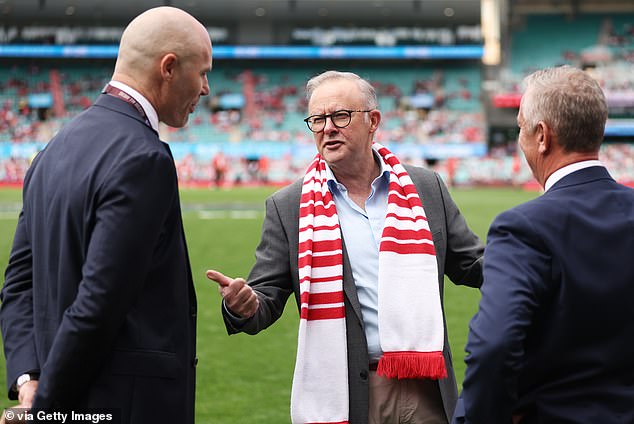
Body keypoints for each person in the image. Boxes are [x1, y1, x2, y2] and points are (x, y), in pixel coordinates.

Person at [206, 70, 484, 424]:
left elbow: (471, 263)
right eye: (318, 119)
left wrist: (531, 261)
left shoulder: (425, 187)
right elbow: (266, 296)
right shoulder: (289, 205)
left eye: (340, 116)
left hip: (424, 386)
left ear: (373, 121)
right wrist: (243, 306)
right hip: (349, 393)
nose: (327, 128)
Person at [0, 6, 211, 423]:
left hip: (65, 396)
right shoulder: (144, 157)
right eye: (202, 72)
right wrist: (46, 410)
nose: (205, 88)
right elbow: (99, 301)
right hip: (126, 404)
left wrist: (30, 381)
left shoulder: (51, 152)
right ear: (168, 67)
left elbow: (18, 286)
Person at [452, 66, 634, 424]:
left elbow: (495, 347)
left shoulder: (522, 228)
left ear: (542, 136)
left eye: (520, 126)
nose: (519, 138)